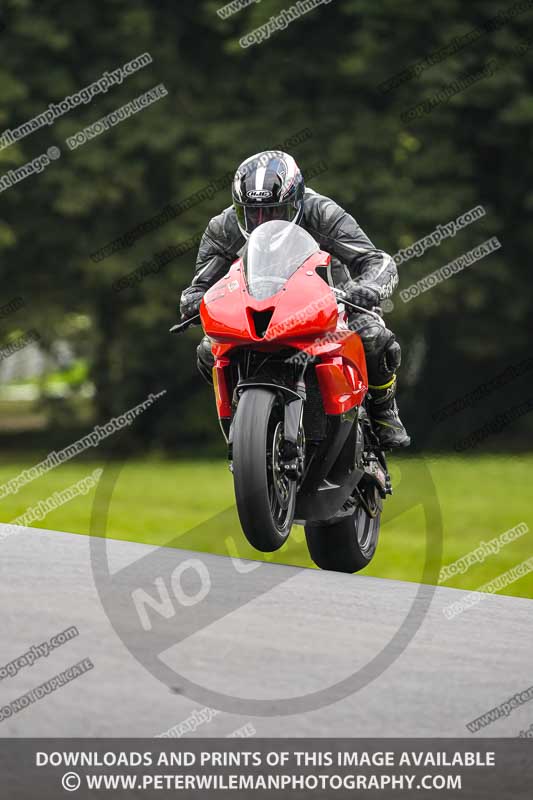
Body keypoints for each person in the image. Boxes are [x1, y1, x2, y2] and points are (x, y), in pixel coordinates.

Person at [179, 151, 410, 448]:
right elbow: (202, 283)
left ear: (297, 200)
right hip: (257, 304)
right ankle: (245, 419)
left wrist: (369, 287)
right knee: (208, 351)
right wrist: (192, 300)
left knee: (373, 336)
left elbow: (376, 260)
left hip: (331, 298)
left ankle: (384, 410)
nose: (262, 222)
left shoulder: (323, 213)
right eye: (252, 213)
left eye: (274, 212)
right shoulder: (222, 227)